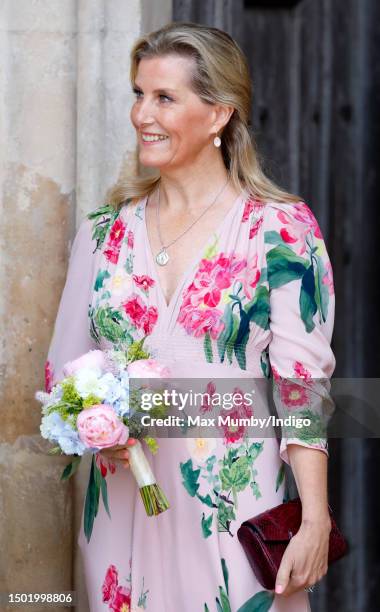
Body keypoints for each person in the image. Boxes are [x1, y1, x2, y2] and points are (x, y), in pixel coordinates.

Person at [44, 22, 335, 612]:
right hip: (125, 508)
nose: (141, 114)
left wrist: (315, 518)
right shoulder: (102, 234)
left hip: (232, 508)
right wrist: (95, 423)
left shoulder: (280, 229)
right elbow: (61, 381)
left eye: (164, 98)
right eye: (137, 94)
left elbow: (301, 388)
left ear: (219, 114)